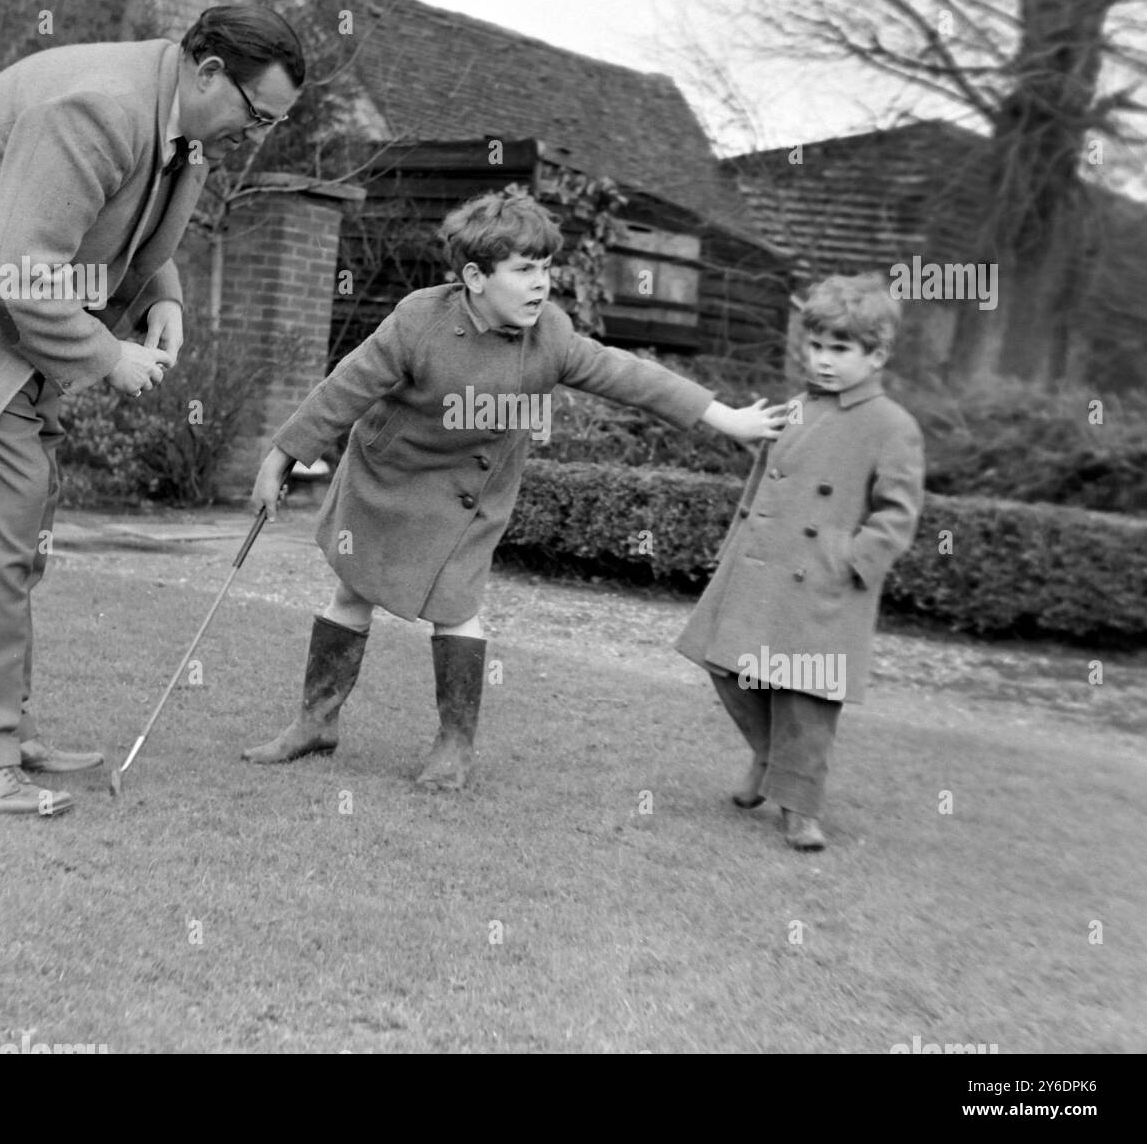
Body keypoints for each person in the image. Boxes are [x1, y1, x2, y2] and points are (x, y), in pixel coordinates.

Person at [0, 4, 305, 816]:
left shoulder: (176, 121)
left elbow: (114, 215)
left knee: (23, 520)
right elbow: (22, 274)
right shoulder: (100, 106)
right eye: (255, 113)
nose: (256, 134)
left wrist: (163, 293)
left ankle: (2, 727)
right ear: (207, 72)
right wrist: (107, 356)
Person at [244, 189, 789, 790]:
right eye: (524, 270)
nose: (541, 284)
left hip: (469, 498)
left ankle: (454, 746)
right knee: (352, 595)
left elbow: (628, 375)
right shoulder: (418, 319)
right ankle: (315, 722)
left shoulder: (549, 336)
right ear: (475, 276)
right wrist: (281, 457)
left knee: (457, 612)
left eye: (546, 268)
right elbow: (345, 388)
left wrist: (727, 416)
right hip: (389, 476)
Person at [674, 272, 924, 850]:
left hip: (825, 582)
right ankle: (767, 758)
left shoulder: (892, 426)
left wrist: (851, 561)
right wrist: (734, 549)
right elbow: (761, 485)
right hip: (761, 567)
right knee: (727, 668)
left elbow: (898, 515)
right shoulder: (795, 409)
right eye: (816, 346)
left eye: (841, 349)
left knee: (806, 699)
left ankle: (800, 808)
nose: (824, 360)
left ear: (877, 355)